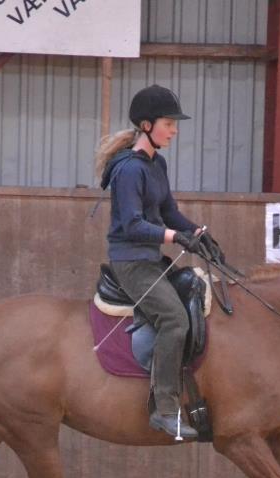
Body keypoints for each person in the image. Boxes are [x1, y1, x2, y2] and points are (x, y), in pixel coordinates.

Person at [94, 85, 219, 441]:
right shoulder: (130, 171)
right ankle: (165, 410)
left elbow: (168, 212)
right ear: (147, 125)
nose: (174, 130)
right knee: (174, 320)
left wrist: (198, 233)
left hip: (151, 259)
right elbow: (133, 224)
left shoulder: (156, 164)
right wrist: (175, 238)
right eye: (169, 123)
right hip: (131, 263)